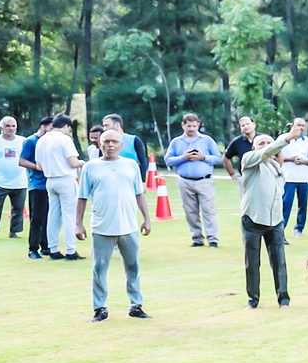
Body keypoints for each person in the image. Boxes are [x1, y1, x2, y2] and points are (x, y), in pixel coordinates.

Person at [75, 129, 151, 322]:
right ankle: (100, 308)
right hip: (102, 227)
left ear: (121, 145)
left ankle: (136, 305)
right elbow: (82, 197)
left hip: (128, 226)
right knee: (99, 268)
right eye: (106, 141)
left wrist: (146, 219)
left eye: (114, 142)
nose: (110, 145)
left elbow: (139, 194)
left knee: (133, 267)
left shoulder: (131, 165)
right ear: (99, 145)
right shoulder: (90, 167)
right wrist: (79, 224)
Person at [239, 128, 295, 309]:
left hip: (275, 221)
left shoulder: (278, 169)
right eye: (261, 143)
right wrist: (286, 137)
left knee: (279, 261)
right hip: (252, 219)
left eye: (268, 142)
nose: (266, 146)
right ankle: (252, 300)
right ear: (254, 147)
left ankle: (283, 299)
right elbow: (264, 153)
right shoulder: (249, 160)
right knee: (252, 262)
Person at [164, 112, 223, 248]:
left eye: (194, 126)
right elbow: (168, 160)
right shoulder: (176, 142)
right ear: (183, 126)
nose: (191, 129)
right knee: (190, 211)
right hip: (185, 181)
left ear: (198, 126)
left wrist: (204, 157)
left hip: (204, 181)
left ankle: (212, 238)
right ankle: (197, 238)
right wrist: (183, 158)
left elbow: (218, 158)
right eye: (188, 126)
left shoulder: (207, 140)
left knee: (208, 210)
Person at [37, 115, 84, 261]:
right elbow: (72, 162)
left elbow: (39, 166)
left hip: (50, 180)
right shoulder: (65, 139)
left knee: (53, 215)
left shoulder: (42, 140)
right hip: (65, 179)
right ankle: (71, 250)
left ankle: (53, 249)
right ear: (66, 126)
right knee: (69, 215)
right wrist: (83, 163)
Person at [19, 116, 51, 258]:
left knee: (49, 218)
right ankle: (33, 249)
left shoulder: (50, 142)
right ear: (44, 126)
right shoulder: (31, 141)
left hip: (50, 184)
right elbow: (22, 161)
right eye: (51, 128)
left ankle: (46, 246)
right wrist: (38, 168)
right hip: (37, 185)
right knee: (37, 218)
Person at [279, 117, 308, 233]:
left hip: (304, 178)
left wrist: (304, 161)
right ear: (292, 126)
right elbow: (276, 156)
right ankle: (281, 229)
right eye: (298, 125)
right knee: (286, 204)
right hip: (288, 177)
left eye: (302, 126)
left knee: (303, 204)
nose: (300, 128)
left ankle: (299, 228)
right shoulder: (283, 139)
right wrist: (290, 159)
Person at [223, 115, 256, 179]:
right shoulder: (237, 142)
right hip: (245, 178)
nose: (246, 127)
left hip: (263, 177)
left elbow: (278, 155)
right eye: (243, 125)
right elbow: (225, 158)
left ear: (254, 125)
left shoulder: (264, 139)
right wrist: (232, 174)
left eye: (248, 124)